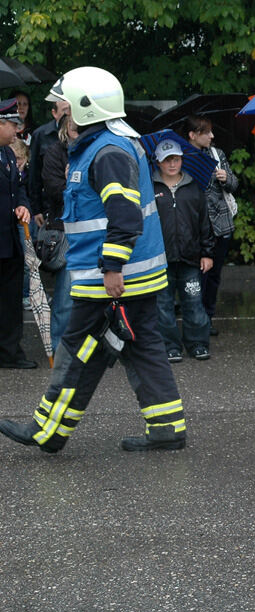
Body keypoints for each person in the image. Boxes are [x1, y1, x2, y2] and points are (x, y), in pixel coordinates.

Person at [0, 66, 186, 452]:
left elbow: (124, 217)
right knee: (142, 345)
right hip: (133, 276)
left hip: (110, 278)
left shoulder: (107, 153)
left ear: (84, 109)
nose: (56, 113)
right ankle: (167, 428)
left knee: (78, 348)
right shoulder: (110, 146)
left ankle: (48, 431)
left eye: (61, 107)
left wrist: (112, 268)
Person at [151, 138, 214, 362]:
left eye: (176, 159)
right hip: (161, 258)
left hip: (190, 257)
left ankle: (197, 343)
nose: (172, 164)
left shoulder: (193, 188)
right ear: (158, 162)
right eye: (166, 160)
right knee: (163, 305)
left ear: (182, 160)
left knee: (194, 302)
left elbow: (204, 223)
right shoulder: (149, 189)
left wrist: (206, 253)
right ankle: (170, 346)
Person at [185, 114, 237, 336]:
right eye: (207, 132)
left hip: (221, 225)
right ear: (193, 135)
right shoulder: (180, 157)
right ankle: (194, 320)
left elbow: (235, 185)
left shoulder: (218, 154)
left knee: (214, 275)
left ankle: (207, 317)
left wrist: (227, 178)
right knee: (195, 276)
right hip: (193, 226)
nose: (212, 136)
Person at [0, 98, 35, 369]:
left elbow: (19, 187)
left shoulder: (9, 154)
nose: (16, 131)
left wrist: (22, 204)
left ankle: (10, 353)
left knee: (10, 302)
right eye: (12, 125)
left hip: (9, 242)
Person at [40, 114, 78, 350]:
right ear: (65, 126)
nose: (76, 126)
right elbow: (54, 190)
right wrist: (73, 183)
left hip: (93, 232)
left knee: (93, 296)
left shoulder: (96, 150)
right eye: (72, 123)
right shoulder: (55, 152)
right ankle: (59, 347)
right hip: (66, 230)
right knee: (65, 296)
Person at [28, 99, 70, 229]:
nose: (68, 113)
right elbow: (34, 173)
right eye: (64, 110)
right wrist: (36, 209)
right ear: (54, 113)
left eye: (70, 109)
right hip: (49, 203)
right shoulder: (41, 134)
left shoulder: (78, 132)